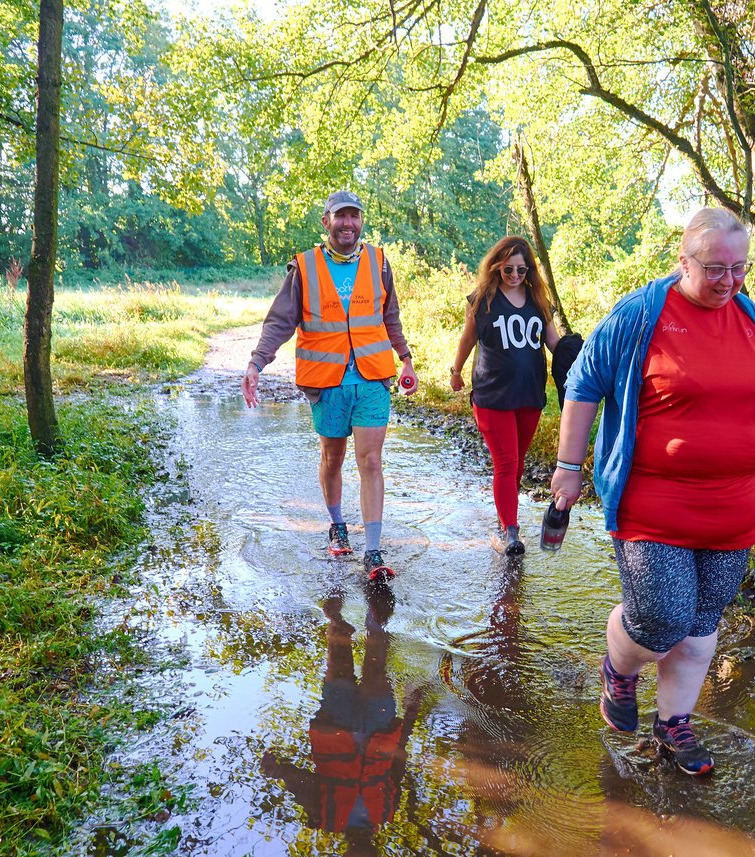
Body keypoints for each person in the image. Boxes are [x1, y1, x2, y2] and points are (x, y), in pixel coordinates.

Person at [549, 207, 755, 775]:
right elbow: (583, 382)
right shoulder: (642, 315)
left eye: (739, 268)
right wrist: (568, 466)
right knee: (661, 619)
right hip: (654, 506)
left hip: (733, 512)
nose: (728, 281)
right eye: (714, 268)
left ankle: (673, 723)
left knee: (701, 628)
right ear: (683, 261)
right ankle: (620, 667)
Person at [242, 191, 417, 582]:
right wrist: (257, 363)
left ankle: (372, 551)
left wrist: (405, 358)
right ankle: (337, 524)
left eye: (354, 216)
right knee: (332, 460)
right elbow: (279, 323)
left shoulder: (378, 261)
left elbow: (391, 317)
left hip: (372, 379)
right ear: (326, 221)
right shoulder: (304, 267)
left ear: (361, 221)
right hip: (327, 384)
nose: (348, 224)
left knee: (371, 461)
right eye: (340, 217)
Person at [260, 587, 422, 856]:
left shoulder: (326, 818)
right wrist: (411, 714)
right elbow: (398, 763)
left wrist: (279, 770)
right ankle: (375, 615)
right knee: (377, 666)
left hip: (335, 727)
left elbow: (301, 784)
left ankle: (334, 615)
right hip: (379, 730)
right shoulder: (387, 811)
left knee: (339, 663)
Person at [449, 237, 561, 555]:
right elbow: (468, 338)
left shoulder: (538, 300)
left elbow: (555, 344)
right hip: (492, 395)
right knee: (507, 463)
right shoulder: (483, 299)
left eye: (521, 270)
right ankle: (510, 531)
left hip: (529, 395)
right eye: (508, 268)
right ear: (497, 265)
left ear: (529, 271)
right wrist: (456, 371)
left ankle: (504, 523)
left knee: (517, 464)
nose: (514, 275)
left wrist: (581, 359)